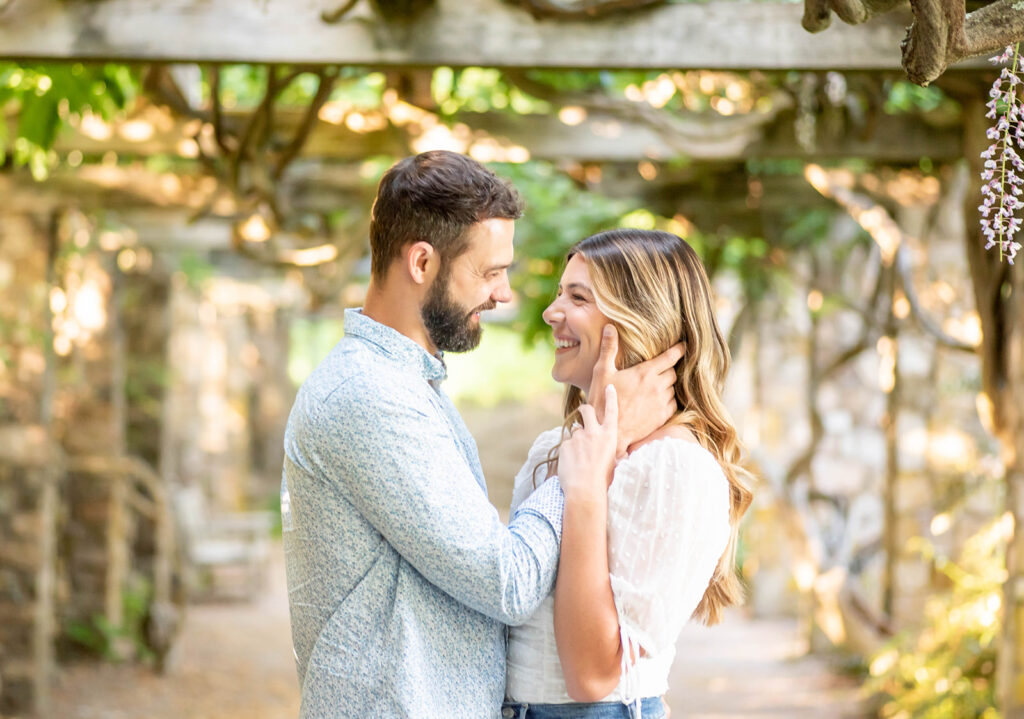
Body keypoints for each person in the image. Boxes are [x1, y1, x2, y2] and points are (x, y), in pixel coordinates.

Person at [280, 152, 682, 718]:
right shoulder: (368, 397)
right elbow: (508, 581)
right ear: (421, 261)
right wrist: (595, 448)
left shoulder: (406, 387)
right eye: (490, 272)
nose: (504, 295)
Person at [503, 229, 755, 719]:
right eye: (559, 293)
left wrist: (589, 491)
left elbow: (592, 676)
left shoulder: (673, 469)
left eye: (578, 297)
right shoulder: (553, 450)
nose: (551, 313)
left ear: (640, 321)